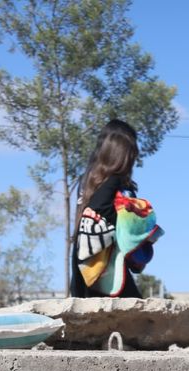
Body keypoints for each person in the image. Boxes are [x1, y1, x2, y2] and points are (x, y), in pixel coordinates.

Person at [70, 120, 155, 298]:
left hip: (87, 268)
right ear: (122, 154)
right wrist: (134, 229)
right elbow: (99, 209)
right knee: (139, 320)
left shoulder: (89, 180)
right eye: (131, 154)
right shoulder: (114, 181)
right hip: (103, 272)